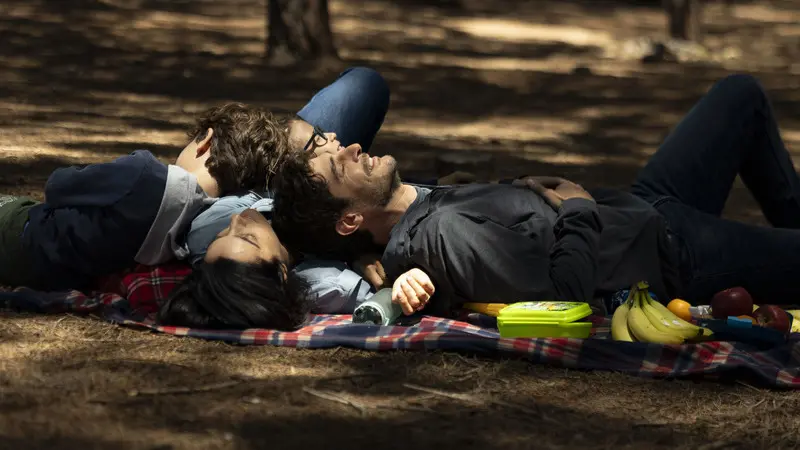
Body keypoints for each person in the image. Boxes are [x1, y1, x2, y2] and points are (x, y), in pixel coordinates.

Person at [270, 74, 800, 318]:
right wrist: (577, 206)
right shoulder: (443, 238)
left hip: (644, 205)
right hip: (672, 252)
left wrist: (364, 257)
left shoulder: (412, 209)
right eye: (340, 165)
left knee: (740, 96)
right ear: (349, 219)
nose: (355, 147)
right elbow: (567, 294)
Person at [185, 67, 473, 315]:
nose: (237, 221)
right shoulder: (328, 283)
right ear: (282, 274)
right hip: (331, 198)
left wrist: (306, 149)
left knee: (364, 86)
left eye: (224, 233)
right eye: (247, 237)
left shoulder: (207, 235)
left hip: (278, 170)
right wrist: (361, 257)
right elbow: (393, 293)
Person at [0, 103, 308, 330]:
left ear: (204, 142)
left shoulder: (143, 175)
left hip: (25, 233)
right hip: (64, 273)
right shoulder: (187, 228)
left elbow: (58, 185)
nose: (236, 220)